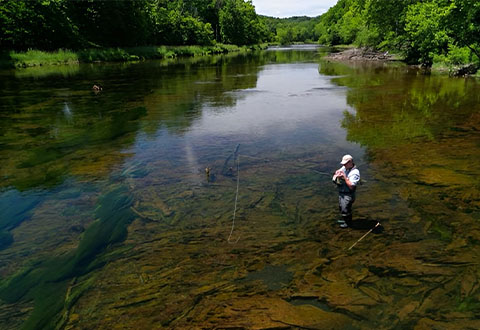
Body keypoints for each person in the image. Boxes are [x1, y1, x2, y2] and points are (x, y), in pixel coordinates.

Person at [332, 154, 360, 228]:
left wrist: (344, 177)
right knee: (341, 208)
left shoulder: (355, 172)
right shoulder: (345, 167)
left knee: (346, 209)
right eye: (343, 164)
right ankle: (346, 220)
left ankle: (348, 224)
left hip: (348, 195)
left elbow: (351, 186)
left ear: (350, 162)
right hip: (342, 193)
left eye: (345, 164)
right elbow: (340, 170)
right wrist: (337, 172)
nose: (343, 165)